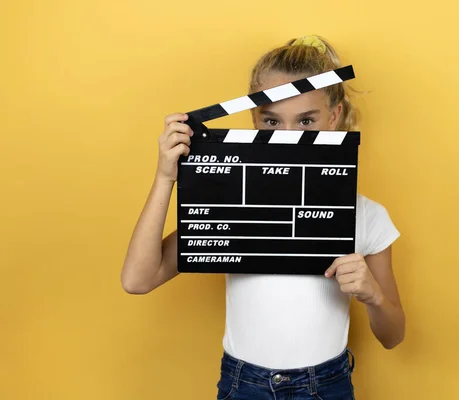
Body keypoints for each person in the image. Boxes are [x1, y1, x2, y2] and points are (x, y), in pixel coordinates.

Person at [121, 35, 406, 399]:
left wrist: (373, 296)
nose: (288, 138)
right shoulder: (230, 204)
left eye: (306, 121)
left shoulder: (367, 215)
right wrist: (164, 177)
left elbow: (393, 336)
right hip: (244, 384)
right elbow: (138, 279)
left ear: (333, 117)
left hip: (326, 385)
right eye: (272, 121)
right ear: (255, 119)